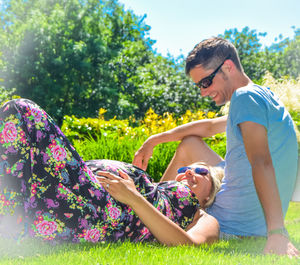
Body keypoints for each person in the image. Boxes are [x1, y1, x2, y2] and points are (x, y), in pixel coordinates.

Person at [133, 37, 299, 257]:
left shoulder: (244, 97)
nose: (203, 92)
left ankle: (155, 209)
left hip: (233, 222)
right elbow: (210, 127)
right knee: (190, 144)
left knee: (189, 147)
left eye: (206, 82)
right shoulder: (261, 96)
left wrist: (277, 231)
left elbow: (261, 161)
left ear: (228, 67)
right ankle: (158, 200)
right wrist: (155, 139)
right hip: (243, 207)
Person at [0, 98, 221, 245]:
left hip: (104, 212)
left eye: (201, 171)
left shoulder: (203, 217)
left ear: (208, 197)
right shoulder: (161, 192)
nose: (188, 172)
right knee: (14, 140)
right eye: (183, 169)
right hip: (79, 189)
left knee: (21, 111)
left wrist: (133, 197)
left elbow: (189, 246)